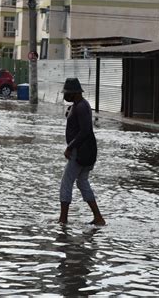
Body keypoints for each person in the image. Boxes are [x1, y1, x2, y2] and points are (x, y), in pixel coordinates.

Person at [58, 77, 105, 226]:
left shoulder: (81, 107)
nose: (65, 96)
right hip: (86, 152)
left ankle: (63, 220)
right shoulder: (79, 105)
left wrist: (70, 147)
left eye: (67, 93)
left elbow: (85, 131)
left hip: (80, 153)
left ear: (74, 93)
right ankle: (98, 217)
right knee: (82, 182)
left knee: (66, 183)